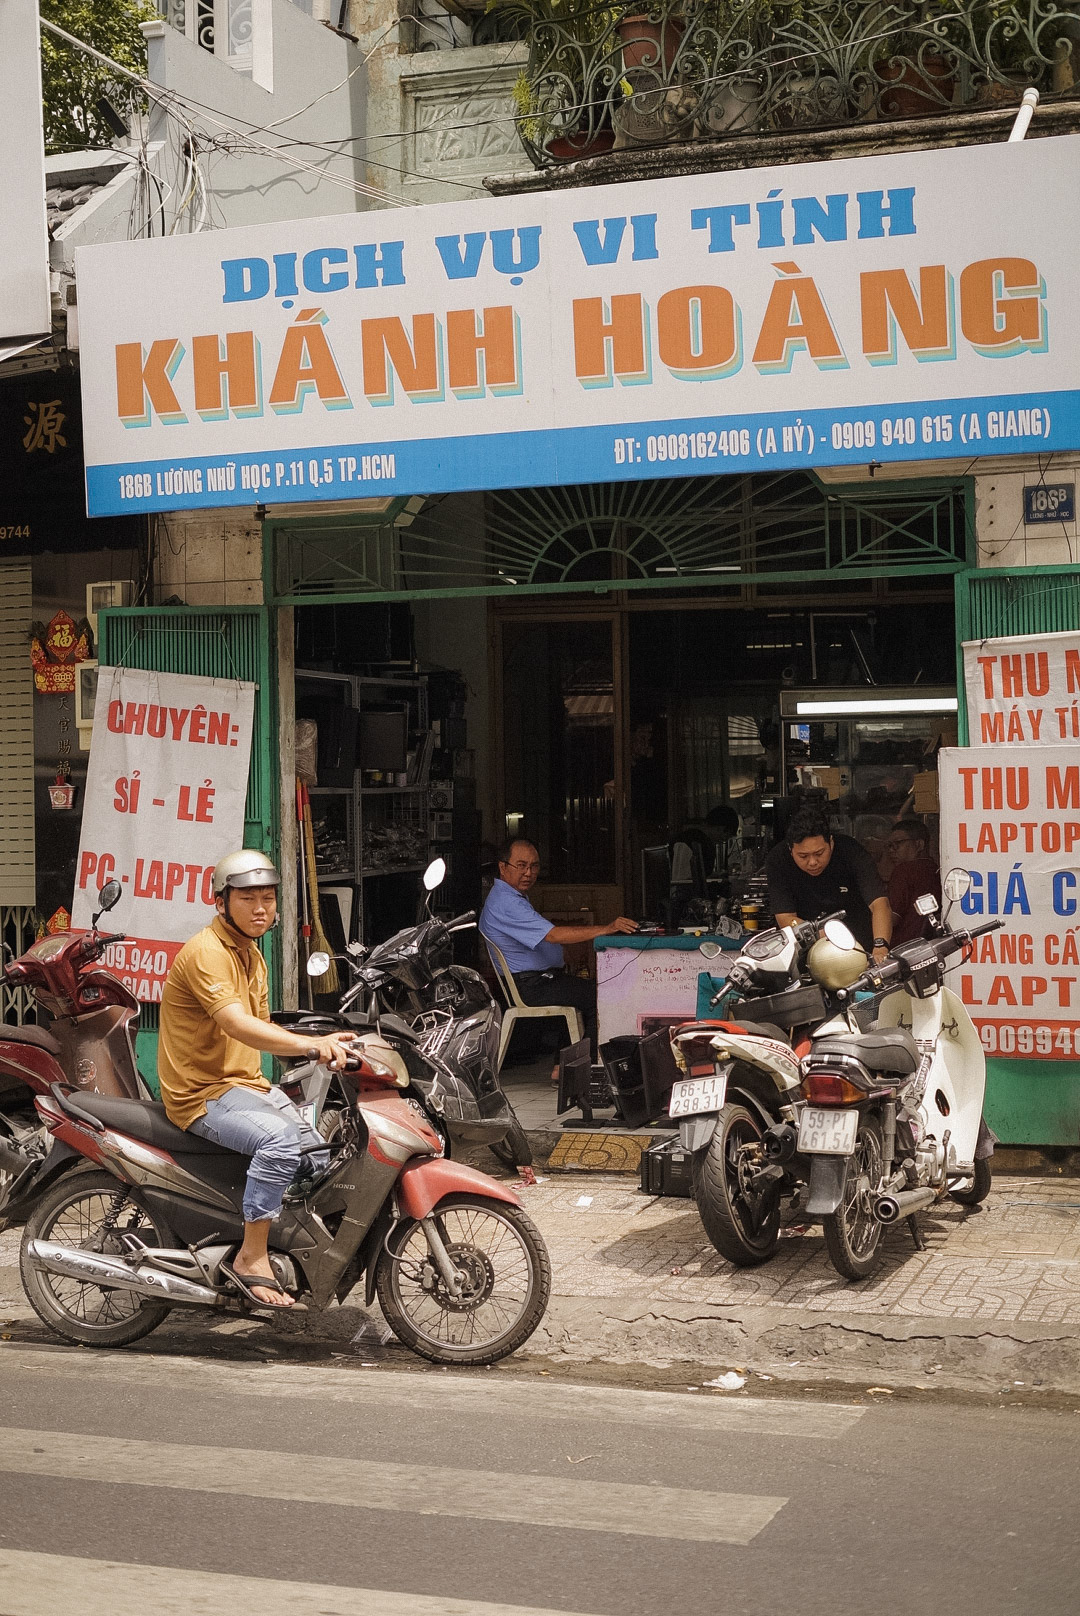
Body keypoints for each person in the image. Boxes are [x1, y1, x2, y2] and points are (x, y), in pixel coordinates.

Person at [158, 850, 355, 1310]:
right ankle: (251, 1255)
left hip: (244, 1085)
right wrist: (310, 1046)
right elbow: (238, 1025)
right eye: (248, 899)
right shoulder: (207, 953)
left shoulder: (252, 955)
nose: (261, 908)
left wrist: (328, 1042)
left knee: (319, 1158)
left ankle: (284, 1242)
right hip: (202, 1094)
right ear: (221, 902)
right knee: (281, 1144)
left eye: (268, 898)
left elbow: (264, 1028)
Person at [479, 837, 638, 1054]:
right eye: (521, 865)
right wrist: (607, 928)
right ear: (503, 867)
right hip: (531, 986)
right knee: (601, 996)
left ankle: (562, 1064)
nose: (529, 873)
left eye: (534, 866)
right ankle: (582, 1062)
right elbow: (553, 935)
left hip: (539, 981)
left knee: (583, 992)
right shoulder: (507, 902)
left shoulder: (509, 896)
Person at [764, 808, 892, 962]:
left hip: (861, 947)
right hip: (809, 951)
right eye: (803, 856)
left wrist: (880, 946)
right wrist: (825, 935)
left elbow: (879, 903)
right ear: (791, 850)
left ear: (831, 842)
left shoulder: (851, 851)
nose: (813, 862)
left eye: (819, 853)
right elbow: (786, 918)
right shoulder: (778, 860)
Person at [885, 819, 941, 946]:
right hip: (931, 944)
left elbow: (891, 919)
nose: (892, 850)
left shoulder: (904, 871)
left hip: (904, 947)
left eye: (898, 843)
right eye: (890, 846)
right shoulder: (935, 869)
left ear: (919, 844)